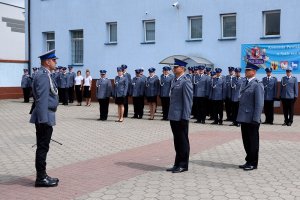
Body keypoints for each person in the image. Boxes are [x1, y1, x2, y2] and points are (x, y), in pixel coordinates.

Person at [30, 49, 59, 187]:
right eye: (54, 60)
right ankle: (41, 178)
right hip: (44, 116)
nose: (56, 62)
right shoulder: (42, 75)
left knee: (43, 147)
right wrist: (43, 120)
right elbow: (41, 99)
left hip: (46, 115)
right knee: (42, 147)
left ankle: (43, 174)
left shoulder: (45, 74)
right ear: (47, 62)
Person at [166, 58, 193, 173]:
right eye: (173, 67)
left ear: (182, 68)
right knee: (177, 141)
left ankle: (183, 165)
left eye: (176, 67)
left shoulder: (186, 81)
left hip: (181, 116)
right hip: (174, 115)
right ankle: (177, 163)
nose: (173, 68)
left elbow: (188, 101)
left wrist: (185, 117)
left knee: (183, 141)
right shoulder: (175, 80)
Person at [237, 62, 264, 171]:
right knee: (246, 140)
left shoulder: (257, 84)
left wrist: (256, 119)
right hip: (244, 117)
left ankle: (253, 163)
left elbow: (259, 104)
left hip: (252, 118)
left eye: (248, 70)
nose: (246, 72)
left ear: (254, 72)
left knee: (253, 142)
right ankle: (248, 160)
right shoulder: (244, 83)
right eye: (246, 70)